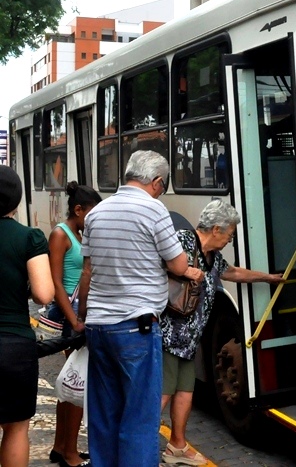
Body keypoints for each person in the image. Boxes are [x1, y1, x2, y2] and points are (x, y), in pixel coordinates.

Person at [75, 150, 204, 467]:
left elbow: (87, 272)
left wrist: (82, 318)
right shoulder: (154, 210)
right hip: (136, 328)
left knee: (104, 413)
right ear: (157, 182)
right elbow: (178, 262)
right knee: (140, 415)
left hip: (98, 327)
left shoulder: (97, 213)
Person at [160, 200, 283, 465]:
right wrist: (185, 270)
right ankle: (135, 450)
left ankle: (177, 447)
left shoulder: (213, 257)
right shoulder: (183, 240)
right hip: (168, 336)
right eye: (229, 234)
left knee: (185, 392)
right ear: (216, 229)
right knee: (162, 394)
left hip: (189, 341)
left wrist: (268, 278)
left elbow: (233, 273)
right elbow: (160, 263)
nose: (230, 239)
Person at [0, 165, 55, 467]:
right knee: (16, 428)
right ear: (17, 200)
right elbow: (44, 294)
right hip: (15, 346)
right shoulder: (29, 237)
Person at [47, 182, 101, 467]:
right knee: (78, 387)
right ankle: (69, 452)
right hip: (73, 318)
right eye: (91, 213)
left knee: (70, 386)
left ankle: (62, 446)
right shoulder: (61, 234)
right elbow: (55, 282)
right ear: (78, 210)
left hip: (81, 316)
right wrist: (74, 321)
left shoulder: (80, 233)